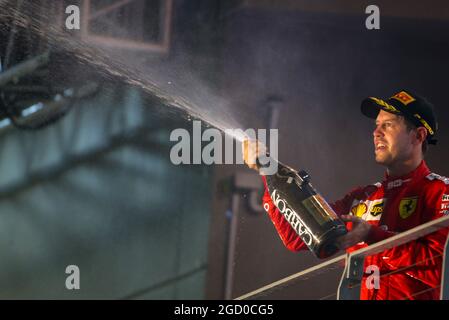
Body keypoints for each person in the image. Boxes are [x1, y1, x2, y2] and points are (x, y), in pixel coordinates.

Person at [243, 90, 449, 300]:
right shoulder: (362, 197)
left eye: (388, 125)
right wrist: (268, 171)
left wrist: (372, 236)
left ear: (419, 135)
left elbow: (442, 269)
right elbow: (297, 237)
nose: (376, 132)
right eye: (376, 125)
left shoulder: (441, 193)